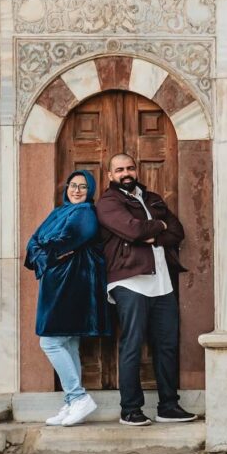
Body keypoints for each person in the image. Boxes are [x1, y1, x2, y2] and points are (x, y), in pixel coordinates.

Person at [96, 153, 196, 426]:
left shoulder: (152, 198)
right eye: (119, 170)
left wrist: (158, 230)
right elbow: (133, 230)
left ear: (136, 169)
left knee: (166, 345)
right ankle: (130, 410)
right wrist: (154, 227)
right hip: (129, 281)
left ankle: (168, 406)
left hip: (161, 282)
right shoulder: (108, 202)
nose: (125, 173)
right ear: (110, 175)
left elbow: (178, 231)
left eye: (129, 168)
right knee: (132, 343)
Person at [24, 170, 111, 427]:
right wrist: (44, 249)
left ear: (90, 190)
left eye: (83, 187)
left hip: (73, 284)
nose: (76, 190)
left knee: (50, 341)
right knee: (69, 343)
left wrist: (44, 248)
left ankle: (78, 396)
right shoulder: (59, 212)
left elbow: (65, 241)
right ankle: (73, 401)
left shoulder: (84, 213)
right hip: (56, 284)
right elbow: (32, 244)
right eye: (73, 185)